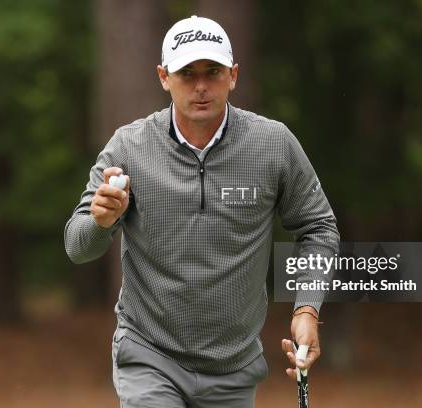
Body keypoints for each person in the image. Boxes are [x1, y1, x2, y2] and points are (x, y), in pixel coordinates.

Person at [64, 15, 339, 407]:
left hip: (234, 367)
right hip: (149, 355)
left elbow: (319, 228)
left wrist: (307, 308)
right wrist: (100, 222)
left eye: (213, 71)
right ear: (163, 76)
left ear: (234, 75)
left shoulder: (273, 145)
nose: (200, 86)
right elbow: (77, 246)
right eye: (186, 73)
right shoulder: (128, 147)